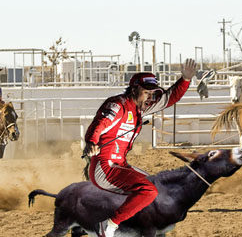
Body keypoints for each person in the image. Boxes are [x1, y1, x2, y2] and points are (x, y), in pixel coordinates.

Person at [83, 59, 196, 237]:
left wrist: (185, 80)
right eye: (146, 93)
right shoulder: (118, 105)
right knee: (148, 190)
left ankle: (136, 228)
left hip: (119, 166)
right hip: (105, 168)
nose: (150, 97)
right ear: (134, 89)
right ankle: (109, 226)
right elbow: (101, 123)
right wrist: (91, 141)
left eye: (153, 93)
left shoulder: (140, 109)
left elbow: (168, 98)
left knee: (157, 189)